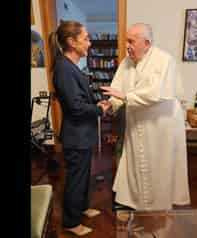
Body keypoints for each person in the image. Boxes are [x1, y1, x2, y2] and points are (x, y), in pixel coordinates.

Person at [100, 23, 190, 211]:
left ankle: (158, 209)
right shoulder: (127, 61)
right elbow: (119, 88)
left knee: (159, 167)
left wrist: (124, 97)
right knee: (135, 164)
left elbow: (155, 93)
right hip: (137, 124)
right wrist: (111, 104)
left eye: (131, 41)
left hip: (160, 125)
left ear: (147, 43)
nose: (127, 45)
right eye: (127, 41)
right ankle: (137, 203)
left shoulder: (163, 60)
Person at [49, 20, 111, 236]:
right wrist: (99, 111)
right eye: (86, 39)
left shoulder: (71, 67)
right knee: (76, 179)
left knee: (84, 175)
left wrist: (97, 104)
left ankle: (82, 207)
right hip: (76, 136)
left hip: (82, 134)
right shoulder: (64, 69)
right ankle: (71, 222)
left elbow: (80, 100)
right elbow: (75, 107)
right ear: (71, 42)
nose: (90, 43)